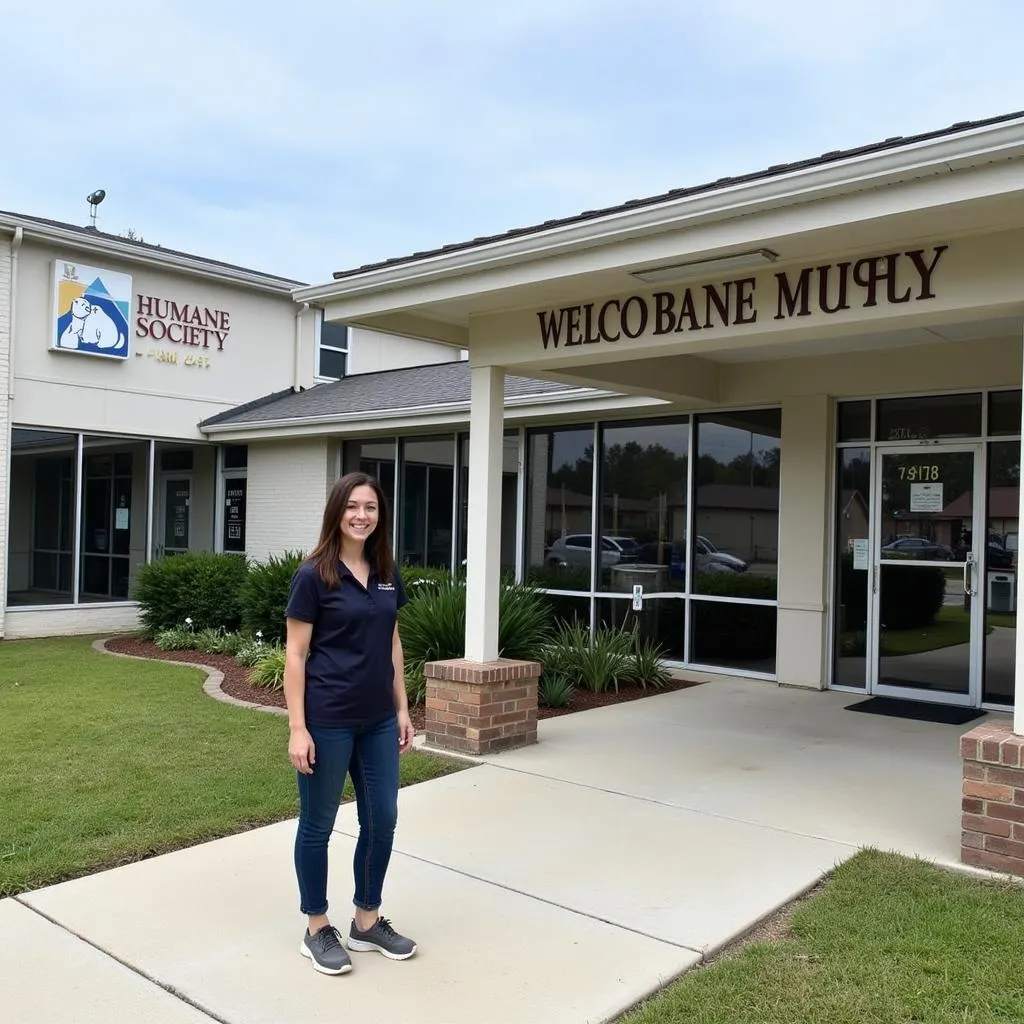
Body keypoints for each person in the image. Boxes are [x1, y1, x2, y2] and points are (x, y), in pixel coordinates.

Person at [284, 471, 417, 976]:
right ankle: (316, 927)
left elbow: (392, 642)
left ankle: (367, 919)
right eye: (353, 507)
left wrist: (402, 708)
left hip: (379, 719)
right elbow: (295, 655)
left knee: (382, 817)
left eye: (372, 508)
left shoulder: (385, 571)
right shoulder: (313, 575)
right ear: (337, 512)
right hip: (329, 720)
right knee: (318, 825)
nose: (362, 516)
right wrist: (299, 727)